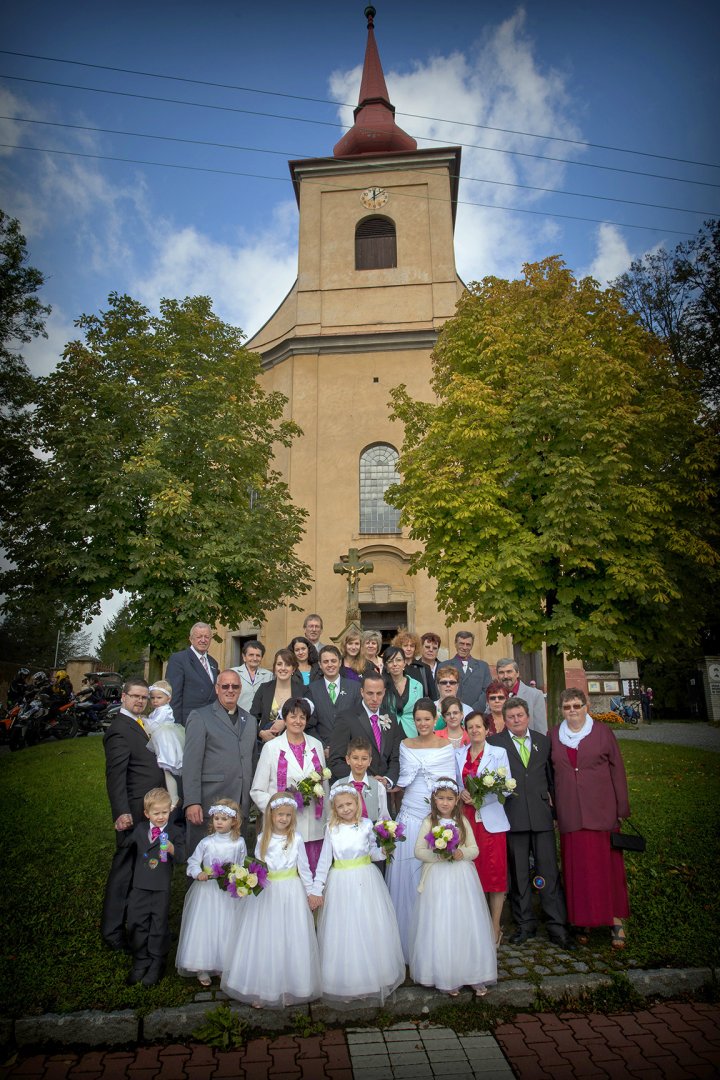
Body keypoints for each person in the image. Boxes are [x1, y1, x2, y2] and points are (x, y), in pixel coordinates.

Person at [222, 792, 322, 1008]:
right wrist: (248, 882)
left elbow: (304, 869)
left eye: (288, 815)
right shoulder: (262, 839)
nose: (284, 819)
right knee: (267, 938)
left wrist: (311, 892)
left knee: (290, 938)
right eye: (280, 815)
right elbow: (257, 867)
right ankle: (263, 989)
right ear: (271, 816)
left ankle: (290, 987)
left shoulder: (296, 839)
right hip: (268, 893)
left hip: (291, 892)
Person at [550, 688, 631, 949]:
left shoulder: (602, 733)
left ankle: (615, 919)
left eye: (577, 705)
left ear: (586, 707)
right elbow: (550, 775)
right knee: (579, 871)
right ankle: (582, 920)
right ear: (561, 710)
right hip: (571, 812)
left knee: (607, 868)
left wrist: (621, 807)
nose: (572, 711)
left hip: (601, 810)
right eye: (567, 707)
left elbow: (617, 770)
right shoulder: (554, 735)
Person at [310, 785, 405, 1005]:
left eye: (349, 804)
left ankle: (371, 978)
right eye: (340, 806)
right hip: (340, 882)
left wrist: (384, 850)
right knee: (345, 930)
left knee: (367, 925)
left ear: (357, 803)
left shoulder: (366, 825)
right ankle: (346, 982)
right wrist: (317, 888)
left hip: (366, 880)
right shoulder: (331, 829)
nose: (346, 809)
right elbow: (324, 861)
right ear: (334, 808)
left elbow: (372, 852)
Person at [489, 697, 571, 948]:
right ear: (505, 719)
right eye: (511, 717)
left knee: (549, 871)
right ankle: (525, 924)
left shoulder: (543, 741)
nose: (516, 720)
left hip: (541, 814)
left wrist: (555, 813)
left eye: (520, 715)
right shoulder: (496, 743)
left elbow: (551, 778)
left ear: (528, 717)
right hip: (513, 815)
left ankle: (557, 926)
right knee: (519, 873)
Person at [409, 778, 496, 996]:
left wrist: (461, 852)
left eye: (449, 798)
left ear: (457, 800)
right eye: (441, 798)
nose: (445, 803)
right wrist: (438, 855)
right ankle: (446, 974)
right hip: (437, 878)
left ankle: (473, 973)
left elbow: (474, 849)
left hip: (461, 877)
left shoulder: (462, 821)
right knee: (441, 921)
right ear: (434, 799)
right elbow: (418, 850)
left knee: (465, 920)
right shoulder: (429, 822)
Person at [385, 698, 457, 959]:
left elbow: (450, 785)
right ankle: (408, 944)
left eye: (427, 719)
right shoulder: (405, 745)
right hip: (410, 814)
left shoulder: (446, 747)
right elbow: (401, 781)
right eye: (418, 720)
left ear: (435, 719)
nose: (423, 724)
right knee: (408, 880)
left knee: (435, 880)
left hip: (435, 817)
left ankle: (436, 944)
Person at [102, 678, 166, 951]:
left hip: (151, 810)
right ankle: (113, 932)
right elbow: (115, 775)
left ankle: (141, 924)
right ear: (124, 697)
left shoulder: (142, 724)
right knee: (125, 871)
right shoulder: (119, 729)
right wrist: (121, 812)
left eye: (144, 697)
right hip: (134, 812)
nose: (140, 701)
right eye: (135, 696)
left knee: (145, 868)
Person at [250, 698, 329, 874]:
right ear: (284, 719)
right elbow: (257, 790)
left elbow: (325, 788)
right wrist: (279, 807)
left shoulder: (316, 745)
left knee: (313, 876)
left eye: (302, 717)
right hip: (282, 828)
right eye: (293, 716)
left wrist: (328, 819)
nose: (298, 721)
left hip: (314, 827)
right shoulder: (271, 748)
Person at [183, 670, 257, 856]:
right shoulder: (200, 717)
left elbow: (252, 760)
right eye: (225, 686)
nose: (230, 690)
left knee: (234, 862)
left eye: (235, 686)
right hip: (209, 802)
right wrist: (192, 801)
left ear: (240, 689)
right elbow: (191, 763)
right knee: (203, 861)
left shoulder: (250, 720)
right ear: (217, 688)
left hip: (239, 805)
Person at [176, 798, 247, 987]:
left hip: (227, 892)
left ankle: (223, 964)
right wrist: (197, 872)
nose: (219, 822)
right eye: (216, 818)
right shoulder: (206, 843)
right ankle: (202, 966)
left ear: (234, 821)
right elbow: (193, 861)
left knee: (226, 925)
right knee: (206, 926)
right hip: (207, 891)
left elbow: (242, 864)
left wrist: (239, 879)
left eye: (224, 819)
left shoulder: (239, 843)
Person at [120, 787, 185, 987]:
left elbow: (182, 857)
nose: (161, 817)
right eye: (156, 813)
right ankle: (141, 960)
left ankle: (157, 961)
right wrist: (121, 828)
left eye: (165, 812)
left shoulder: (175, 832)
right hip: (139, 885)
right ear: (147, 813)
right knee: (136, 921)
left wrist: (172, 849)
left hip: (160, 886)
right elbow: (126, 848)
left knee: (158, 924)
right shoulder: (140, 830)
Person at [457, 711, 512, 944]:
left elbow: (506, 787)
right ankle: (473, 927)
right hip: (466, 820)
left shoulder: (498, 753)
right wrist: (461, 792)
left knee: (494, 875)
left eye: (478, 726)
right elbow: (454, 782)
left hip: (490, 821)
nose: (475, 730)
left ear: (487, 729)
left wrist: (481, 798)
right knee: (470, 875)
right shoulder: (459, 754)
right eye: (470, 727)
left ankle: (495, 926)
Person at [328, 672, 402, 785]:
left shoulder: (391, 718)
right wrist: (365, 780)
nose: (375, 699)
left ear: (384, 692)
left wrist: (387, 780)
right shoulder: (346, 718)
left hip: (383, 788)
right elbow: (336, 760)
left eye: (379, 693)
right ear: (362, 692)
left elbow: (395, 758)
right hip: (354, 789)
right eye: (370, 693)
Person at [304, 645, 362, 753]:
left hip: (350, 751)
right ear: (320, 665)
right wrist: (322, 747)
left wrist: (350, 747)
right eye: (325, 662)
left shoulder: (355, 688)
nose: (330, 665)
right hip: (322, 752)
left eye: (333, 661)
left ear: (340, 662)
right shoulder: (311, 689)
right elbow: (309, 725)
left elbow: (360, 721)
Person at [165, 622, 220, 727]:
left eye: (206, 637)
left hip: (211, 721)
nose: (203, 640)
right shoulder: (179, 659)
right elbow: (174, 696)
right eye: (199, 637)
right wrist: (176, 725)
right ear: (191, 639)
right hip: (189, 721)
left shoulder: (213, 662)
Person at [250, 649, 305, 744]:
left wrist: (285, 722)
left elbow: (310, 719)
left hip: (295, 743)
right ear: (274, 667)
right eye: (279, 664)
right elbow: (252, 717)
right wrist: (261, 733)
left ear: (293, 669)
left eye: (287, 665)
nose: (283, 668)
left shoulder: (303, 690)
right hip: (267, 743)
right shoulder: (264, 688)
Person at [145, 681, 185, 809]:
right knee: (164, 771)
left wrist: (144, 723)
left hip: (166, 742)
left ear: (169, 698)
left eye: (159, 697)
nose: (155, 701)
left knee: (167, 770)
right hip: (160, 740)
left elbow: (154, 724)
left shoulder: (165, 710)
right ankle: (171, 796)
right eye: (152, 698)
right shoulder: (158, 710)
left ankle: (174, 797)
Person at [335, 736, 389, 821]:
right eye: (355, 758)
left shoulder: (378, 787)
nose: (359, 763)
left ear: (369, 761)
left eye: (364, 759)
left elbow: (384, 817)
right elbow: (332, 816)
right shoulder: (337, 786)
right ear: (348, 759)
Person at [496, 658, 547, 734]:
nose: (505, 676)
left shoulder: (535, 695)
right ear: (497, 675)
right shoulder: (493, 696)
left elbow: (541, 729)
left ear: (517, 673)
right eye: (501, 673)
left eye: (509, 672)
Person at [383, 645, 424, 737]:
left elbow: (420, 712)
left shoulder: (417, 686)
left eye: (398, 660)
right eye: (390, 661)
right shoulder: (382, 686)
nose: (395, 664)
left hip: (412, 733)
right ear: (386, 666)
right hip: (389, 733)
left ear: (404, 663)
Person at [447, 631, 492, 715]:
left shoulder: (483, 666)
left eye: (468, 644)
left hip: (476, 713)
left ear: (472, 646)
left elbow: (487, 691)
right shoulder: (444, 665)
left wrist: (472, 711)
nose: (464, 647)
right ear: (455, 644)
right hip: (451, 714)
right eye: (461, 643)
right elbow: (439, 690)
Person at [232, 641, 272, 712]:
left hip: (260, 717)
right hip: (238, 715)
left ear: (261, 657)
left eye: (258, 655)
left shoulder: (268, 675)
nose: (255, 658)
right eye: (251, 655)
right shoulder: (233, 673)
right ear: (244, 657)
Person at [392, 628, 432, 696]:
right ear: (399, 647)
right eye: (405, 646)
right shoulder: (393, 667)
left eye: (412, 646)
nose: (409, 649)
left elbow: (433, 697)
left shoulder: (424, 668)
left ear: (415, 648)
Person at [419, 632, 442, 700]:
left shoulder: (444, 668)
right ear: (421, 647)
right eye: (427, 647)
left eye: (434, 648)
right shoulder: (414, 667)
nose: (431, 650)